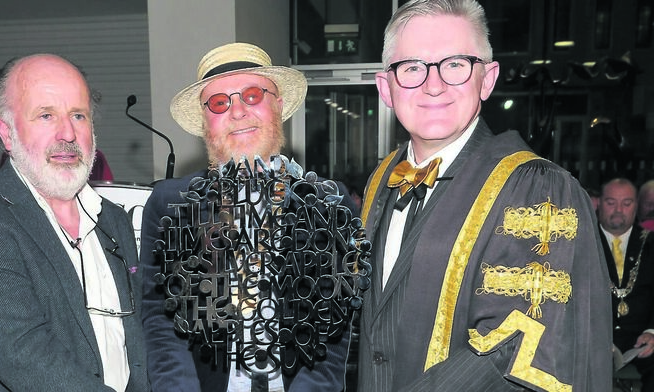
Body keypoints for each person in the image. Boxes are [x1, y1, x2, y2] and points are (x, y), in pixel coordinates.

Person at [356, 0, 612, 390]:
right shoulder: (382, 179)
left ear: (487, 80)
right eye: (412, 67)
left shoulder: (537, 190)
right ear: (385, 88)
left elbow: (517, 345)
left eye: (455, 64)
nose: (433, 85)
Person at [140, 42, 362, 392]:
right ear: (205, 122)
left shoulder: (328, 205)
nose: (238, 112)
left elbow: (331, 334)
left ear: (279, 105)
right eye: (219, 103)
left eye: (253, 95)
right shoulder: (170, 206)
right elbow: (162, 322)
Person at [0, 54, 149, 391]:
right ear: (6, 133)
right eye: (46, 115)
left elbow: (137, 339)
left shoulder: (114, 220)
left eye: (78, 115)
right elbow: (29, 361)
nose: (68, 133)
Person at [598, 178, 654, 391]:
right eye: (611, 202)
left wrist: (652, 332)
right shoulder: (580, 242)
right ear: (599, 203)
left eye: (627, 203)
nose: (618, 210)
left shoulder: (651, 243)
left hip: (642, 339)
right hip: (592, 337)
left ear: (636, 206)